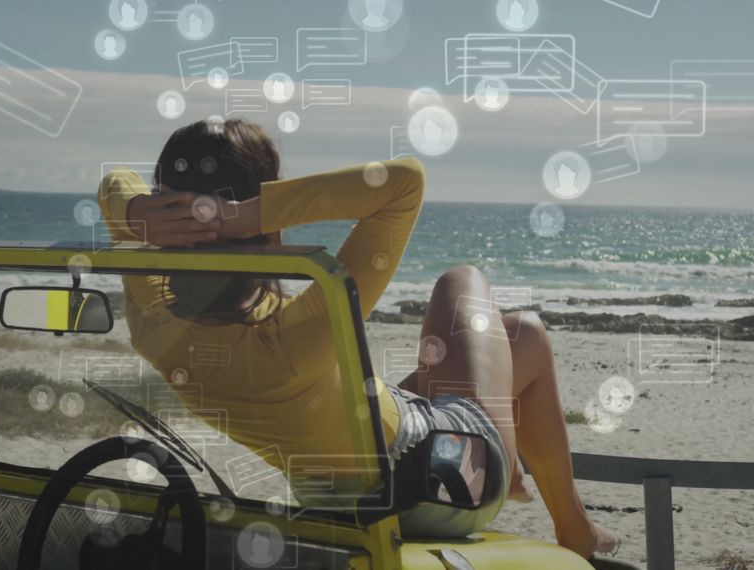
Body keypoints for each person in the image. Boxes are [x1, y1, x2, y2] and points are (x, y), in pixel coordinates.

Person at [96, 118, 619, 558]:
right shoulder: (291, 342)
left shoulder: (152, 319)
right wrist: (245, 214)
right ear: (266, 221)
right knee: (474, 295)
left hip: (336, 489)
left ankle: (556, 507)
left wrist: (138, 215)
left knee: (510, 339)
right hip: (447, 480)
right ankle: (558, 510)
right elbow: (404, 182)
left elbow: (111, 183)